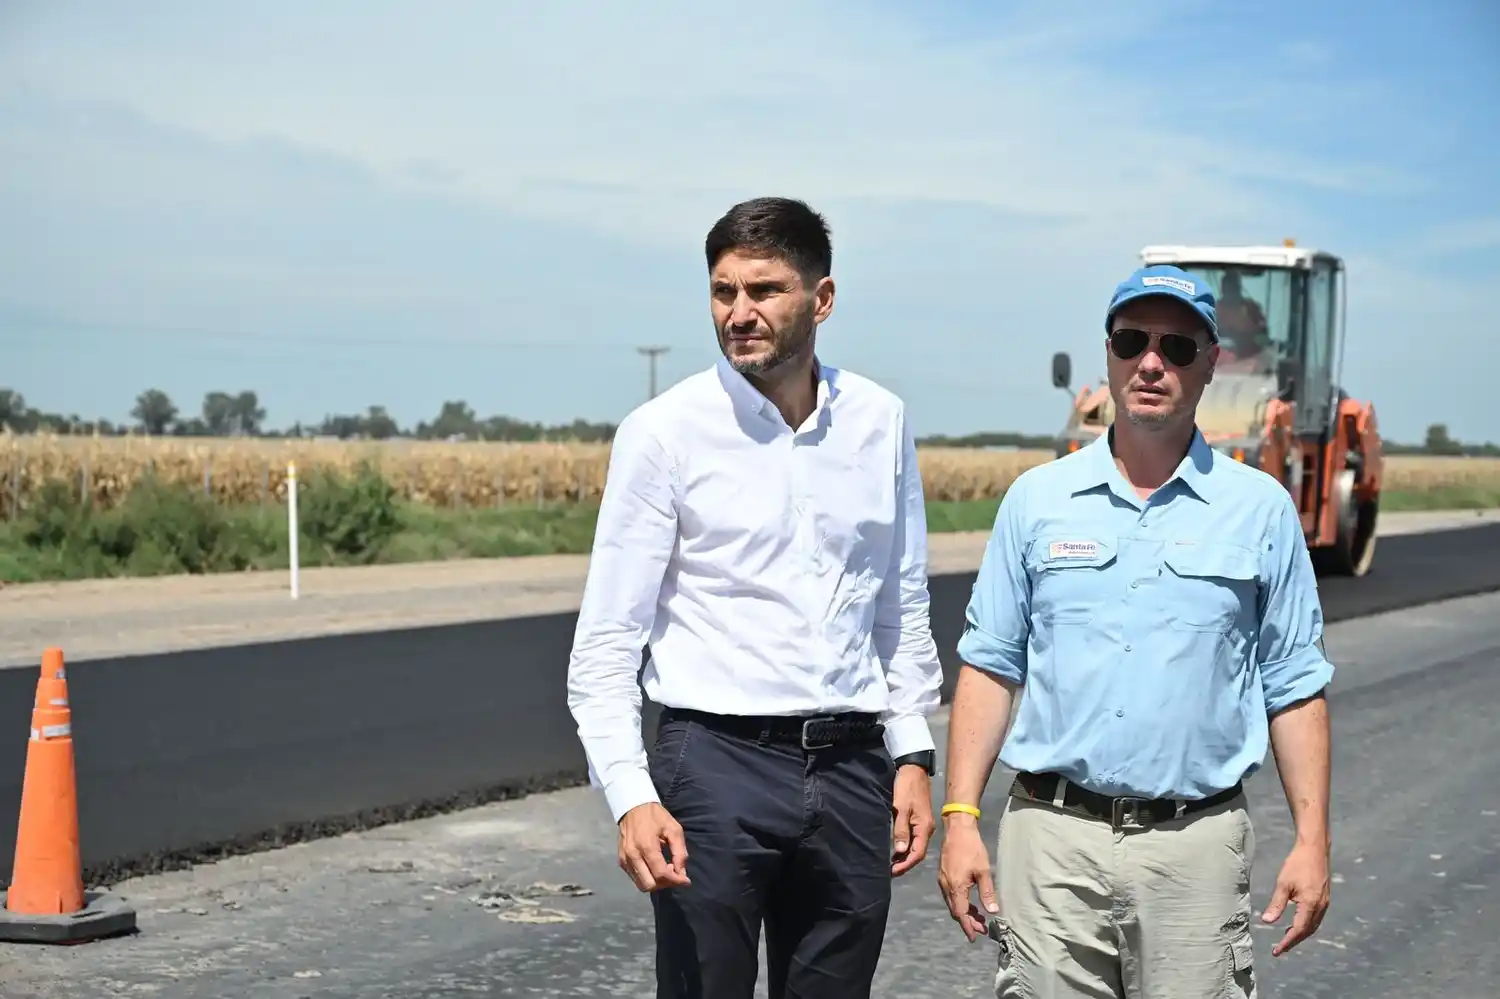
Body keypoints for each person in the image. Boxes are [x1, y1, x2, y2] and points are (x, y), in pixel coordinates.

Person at [566, 195, 945, 999]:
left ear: (822, 298)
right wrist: (631, 795)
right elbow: (605, 641)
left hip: (852, 767)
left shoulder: (880, 422)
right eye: (723, 291)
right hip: (714, 768)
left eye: (764, 290)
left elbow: (899, 604)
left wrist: (911, 753)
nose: (738, 313)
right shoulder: (663, 433)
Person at [935, 264, 1334, 998]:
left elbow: (1294, 684)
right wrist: (960, 817)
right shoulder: (1037, 500)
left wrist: (1313, 841)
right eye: (1132, 341)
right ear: (1109, 355)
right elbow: (991, 665)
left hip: (1194, 851)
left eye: (1177, 348)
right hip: (1051, 846)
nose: (1151, 362)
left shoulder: (1261, 510)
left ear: (1210, 364)